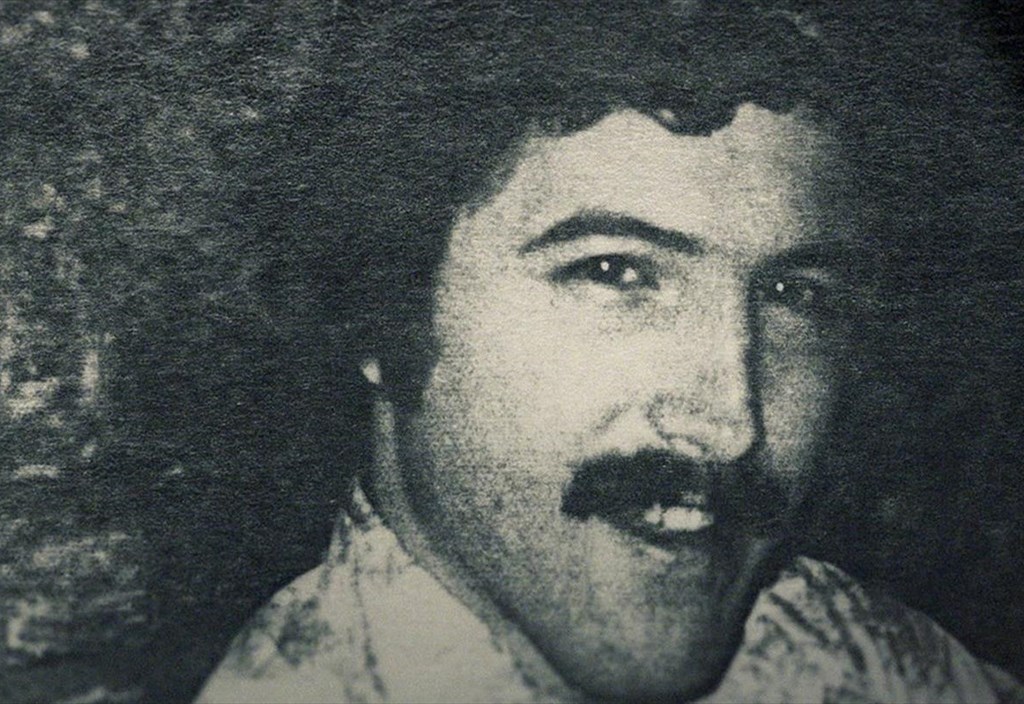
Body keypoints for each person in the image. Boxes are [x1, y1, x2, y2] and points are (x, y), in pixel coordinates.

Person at [197, 3, 1024, 702]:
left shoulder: (861, 651)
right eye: (614, 273)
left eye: (794, 295)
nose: (731, 424)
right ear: (380, 309)